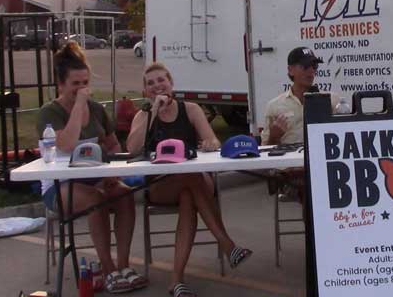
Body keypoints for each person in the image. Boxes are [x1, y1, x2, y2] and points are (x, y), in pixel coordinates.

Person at [126, 62, 252, 297]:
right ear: (145, 91)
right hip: (161, 184)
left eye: (161, 80)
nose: (157, 86)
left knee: (188, 192)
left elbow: (213, 141)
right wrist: (152, 112)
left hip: (193, 181)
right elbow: (132, 148)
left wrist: (209, 144)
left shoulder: (191, 109)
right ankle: (227, 245)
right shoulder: (143, 115)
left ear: (171, 83)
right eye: (150, 83)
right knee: (189, 181)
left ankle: (177, 281)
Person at [36, 41, 147, 293]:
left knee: (123, 194)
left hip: (94, 177)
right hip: (60, 184)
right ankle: (107, 269)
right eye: (75, 84)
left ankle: (123, 265)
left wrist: (113, 172)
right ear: (61, 84)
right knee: (95, 200)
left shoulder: (97, 110)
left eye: (85, 83)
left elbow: (112, 145)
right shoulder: (49, 113)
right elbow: (65, 144)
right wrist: (77, 106)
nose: (82, 89)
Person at [261, 47, 339, 204]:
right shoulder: (275, 106)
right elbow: (265, 151)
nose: (311, 72)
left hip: (322, 165)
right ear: (291, 70)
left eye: (314, 67)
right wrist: (274, 136)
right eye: (305, 67)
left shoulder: (330, 100)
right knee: (312, 189)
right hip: (291, 172)